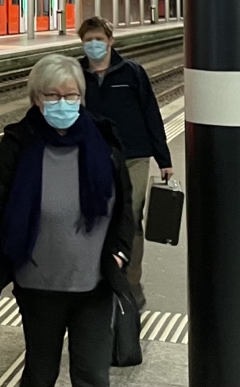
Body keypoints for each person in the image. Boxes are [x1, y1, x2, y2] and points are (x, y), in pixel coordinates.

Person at [0, 54, 134, 387]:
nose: (62, 103)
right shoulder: (19, 144)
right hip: (37, 286)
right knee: (40, 374)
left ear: (81, 97)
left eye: (71, 95)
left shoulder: (103, 140)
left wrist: (120, 252)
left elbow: (124, 206)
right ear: (36, 98)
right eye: (52, 95)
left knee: (92, 376)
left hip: (94, 284)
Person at [78, 16, 170, 310]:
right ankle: (98, 280)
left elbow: (151, 113)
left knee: (130, 217)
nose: (94, 44)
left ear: (110, 40)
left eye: (99, 39)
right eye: (88, 40)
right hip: (93, 158)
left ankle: (131, 285)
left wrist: (164, 159)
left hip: (133, 156)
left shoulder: (132, 72)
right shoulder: (76, 74)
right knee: (95, 218)